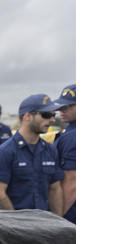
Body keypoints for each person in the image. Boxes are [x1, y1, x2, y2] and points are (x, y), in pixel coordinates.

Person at [0, 94, 66, 215]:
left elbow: (54, 189)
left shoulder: (50, 150)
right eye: (46, 115)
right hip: (12, 227)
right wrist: (18, 227)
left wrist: (58, 226)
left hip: (41, 225)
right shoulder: (5, 152)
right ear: (28, 116)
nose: (52, 120)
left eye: (53, 115)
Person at [53, 84, 76, 223]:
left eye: (68, 106)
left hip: (71, 212)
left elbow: (72, 183)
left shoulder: (72, 137)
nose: (62, 110)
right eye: (61, 106)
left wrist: (57, 220)